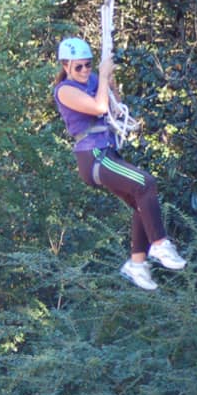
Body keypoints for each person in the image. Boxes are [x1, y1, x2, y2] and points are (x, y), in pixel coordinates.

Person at [53, 36, 185, 290]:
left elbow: (111, 107)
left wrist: (109, 80)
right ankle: (160, 245)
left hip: (108, 153)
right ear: (66, 66)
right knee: (146, 183)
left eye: (88, 65)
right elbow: (98, 105)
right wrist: (102, 76)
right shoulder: (65, 90)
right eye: (78, 67)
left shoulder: (92, 80)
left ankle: (137, 263)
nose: (84, 71)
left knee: (140, 203)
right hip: (93, 157)